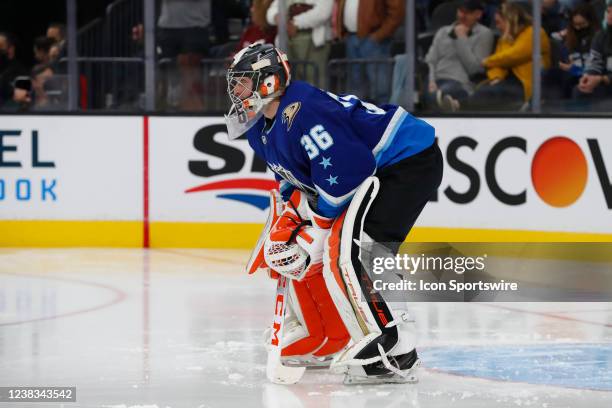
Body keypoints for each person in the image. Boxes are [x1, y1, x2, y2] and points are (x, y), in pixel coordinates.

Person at [224, 43, 443, 384]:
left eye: (242, 82)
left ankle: (396, 344)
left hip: (407, 161)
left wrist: (316, 230)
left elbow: (349, 174)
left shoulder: (305, 110)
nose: (236, 91)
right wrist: (292, 219)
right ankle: (326, 333)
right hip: (378, 168)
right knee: (311, 248)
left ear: (267, 81)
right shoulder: (260, 128)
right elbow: (295, 176)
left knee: (357, 248)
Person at [469, 2, 551, 110]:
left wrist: (486, 61)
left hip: (527, 84)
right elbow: (497, 63)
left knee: (488, 94)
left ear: (510, 20)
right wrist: (496, 77)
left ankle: (457, 106)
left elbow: (514, 55)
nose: (497, 27)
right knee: (483, 91)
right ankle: (456, 106)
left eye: (499, 22)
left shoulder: (535, 32)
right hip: (506, 81)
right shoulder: (505, 38)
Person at [424, 0, 494, 111]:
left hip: (459, 82)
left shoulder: (485, 34)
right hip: (435, 80)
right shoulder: (442, 32)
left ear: (478, 14)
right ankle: (445, 102)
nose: (462, 16)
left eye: (467, 13)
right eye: (460, 11)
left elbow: (475, 69)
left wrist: (461, 38)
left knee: (441, 94)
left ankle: (446, 102)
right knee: (427, 93)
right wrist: (431, 81)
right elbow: (430, 61)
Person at [335, 0, 405, 104]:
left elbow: (397, 12)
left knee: (380, 87)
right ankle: (358, 118)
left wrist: (378, 36)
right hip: (351, 37)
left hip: (374, 39)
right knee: (355, 87)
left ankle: (384, 117)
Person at [266, 0, 333, 87]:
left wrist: (295, 23)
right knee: (292, 82)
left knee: (315, 82)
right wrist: (277, 17)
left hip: (315, 41)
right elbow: (272, 10)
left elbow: (323, 12)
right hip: (288, 40)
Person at [552, 3, 600, 98]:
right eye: (575, 25)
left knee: (574, 86)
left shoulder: (598, 37)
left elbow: (597, 67)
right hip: (571, 73)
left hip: (589, 75)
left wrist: (573, 68)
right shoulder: (568, 35)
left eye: (582, 24)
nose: (578, 28)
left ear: (590, 22)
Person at [572, 0, 612, 108]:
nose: (609, 16)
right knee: (580, 90)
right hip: (604, 81)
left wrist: (602, 79)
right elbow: (594, 62)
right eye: (608, 12)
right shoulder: (601, 36)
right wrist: (588, 76)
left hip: (606, 80)